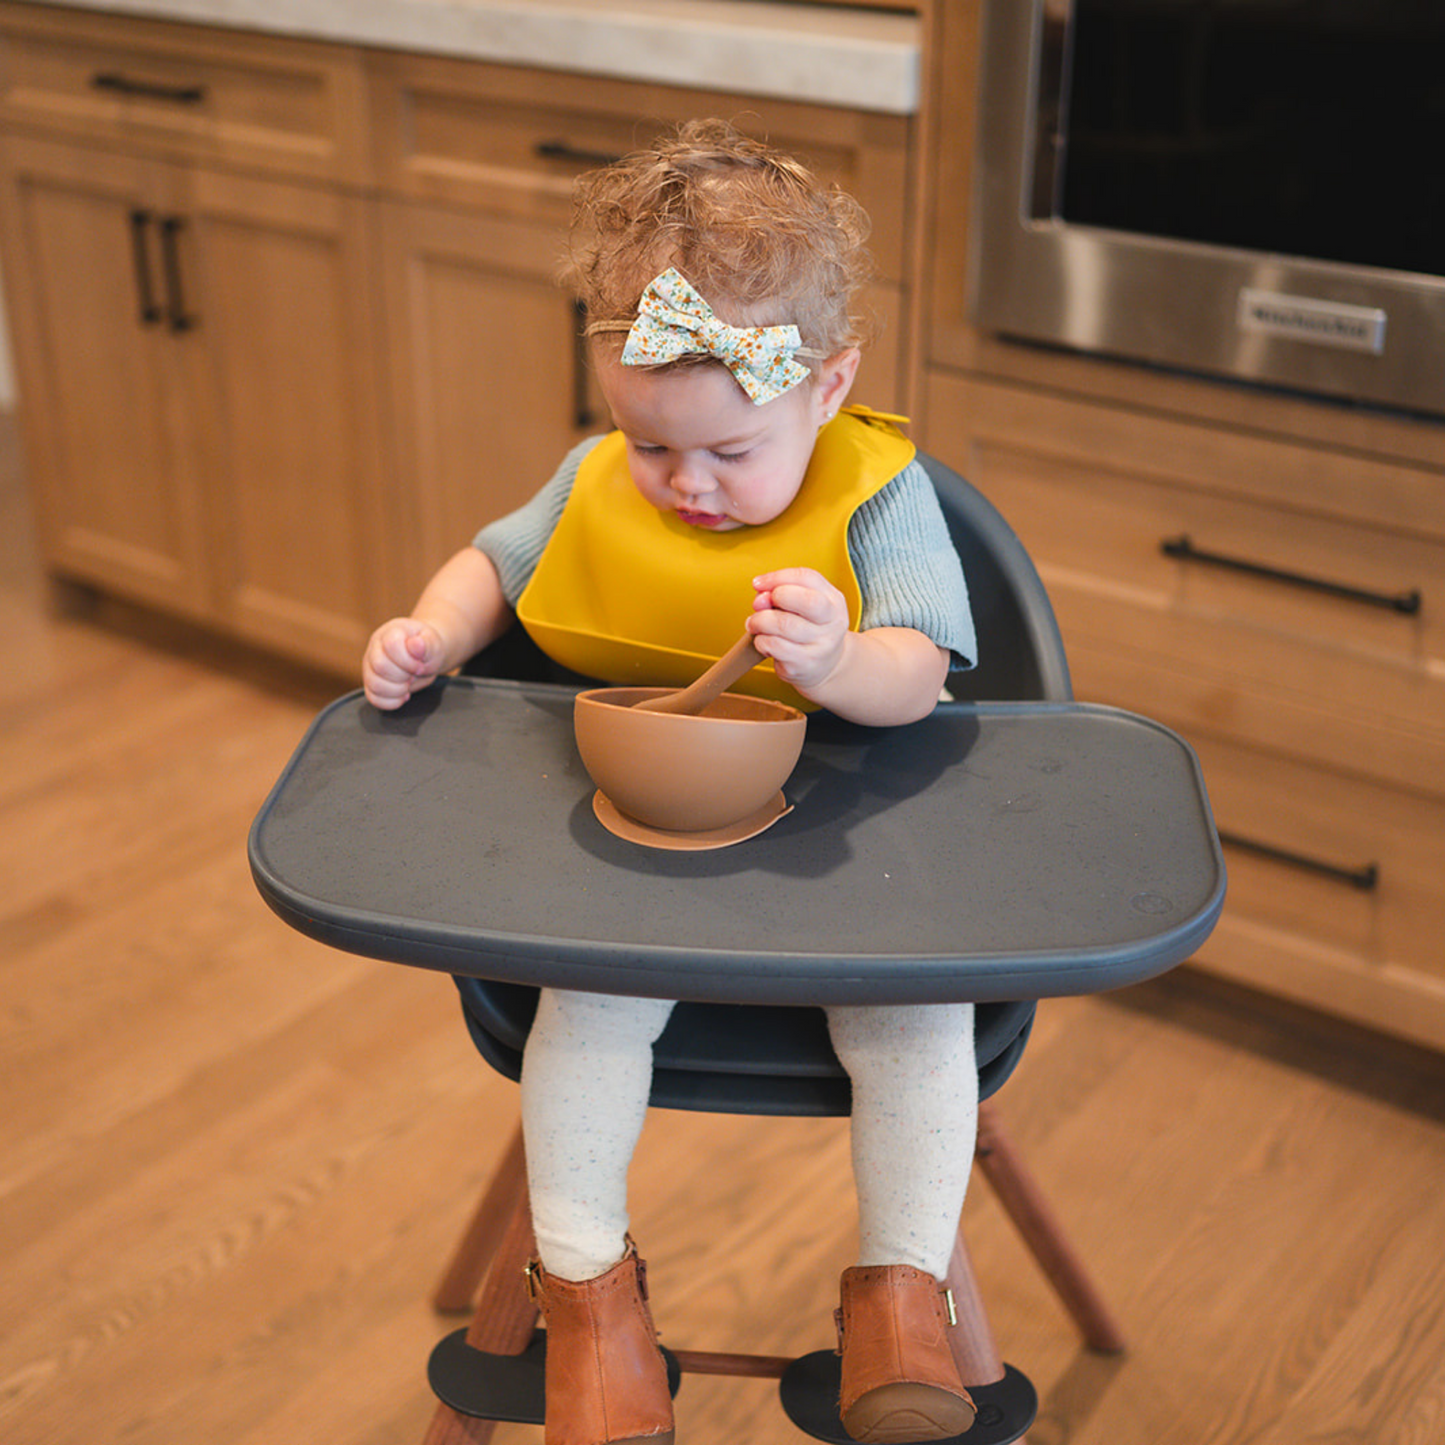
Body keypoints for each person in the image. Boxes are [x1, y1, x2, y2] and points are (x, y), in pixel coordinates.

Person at [362, 119, 981, 1445]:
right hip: (638, 845)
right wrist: (429, 633)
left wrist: (840, 659)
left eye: (730, 454)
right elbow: (494, 566)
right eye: (650, 448)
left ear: (829, 386)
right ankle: (589, 1304)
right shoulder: (597, 480)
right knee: (582, 1011)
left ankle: (899, 1301)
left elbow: (922, 676)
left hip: (852, 850)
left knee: (920, 1023)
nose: (684, 486)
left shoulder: (880, 497)